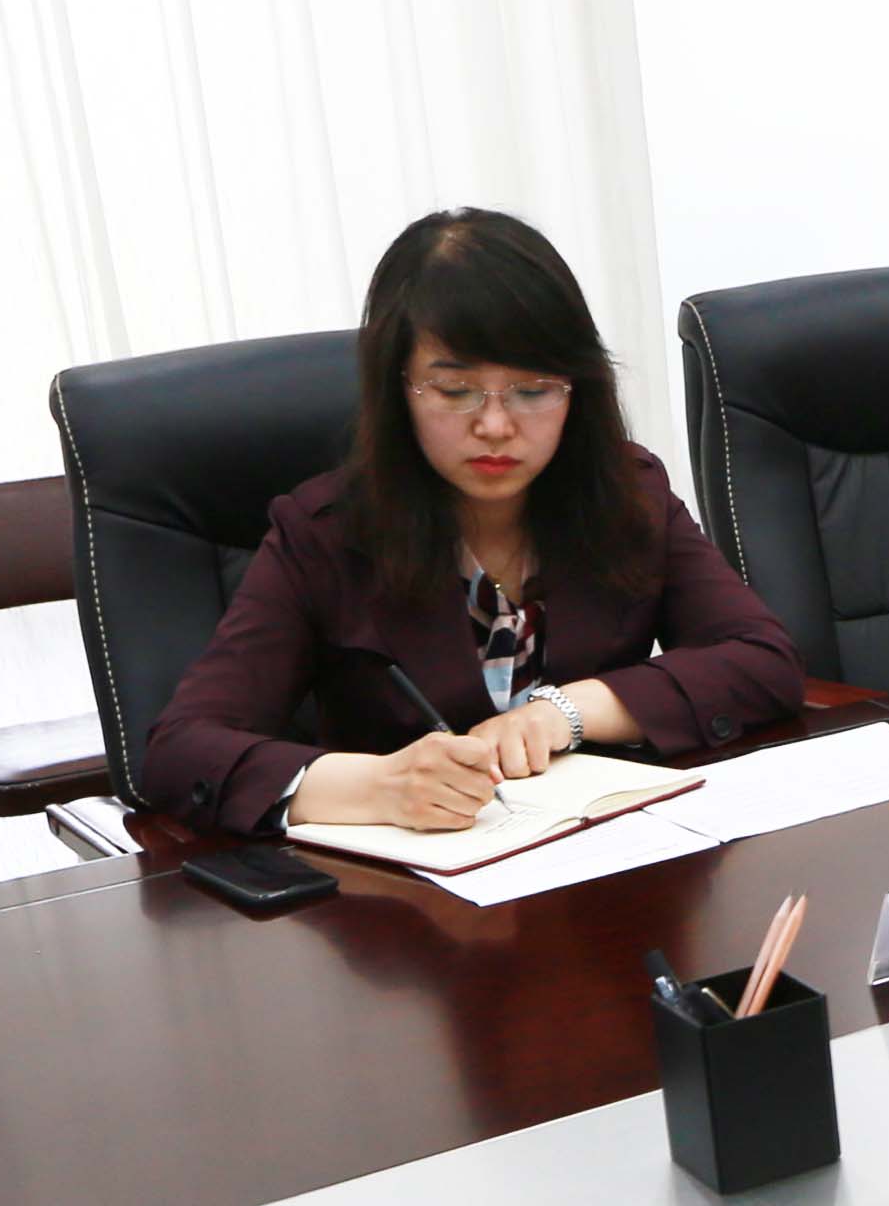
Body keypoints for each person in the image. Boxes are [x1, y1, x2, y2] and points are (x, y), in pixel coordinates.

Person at [141, 212, 805, 839]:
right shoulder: (324, 535)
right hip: (410, 896)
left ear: (577, 389)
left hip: (608, 863)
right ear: (399, 389)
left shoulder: (629, 494)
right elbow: (179, 751)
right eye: (455, 391)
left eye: (533, 390)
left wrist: (564, 712)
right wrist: (377, 786)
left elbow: (762, 660)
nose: (495, 425)